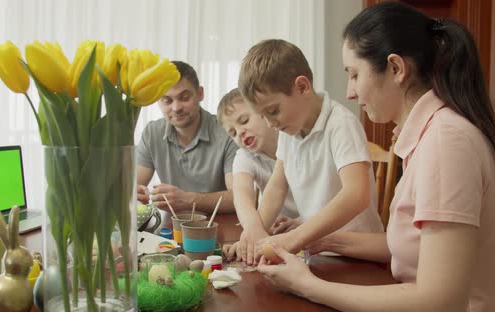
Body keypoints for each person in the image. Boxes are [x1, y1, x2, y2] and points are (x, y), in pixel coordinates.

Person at [257, 2, 495, 311]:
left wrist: (307, 285)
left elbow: (441, 299)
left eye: (355, 74)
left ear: (396, 69)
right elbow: (410, 243)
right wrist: (319, 241)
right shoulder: (433, 133)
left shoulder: (446, 141)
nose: (350, 92)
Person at [237, 38, 384, 265]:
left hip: (356, 256)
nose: (269, 123)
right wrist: (256, 231)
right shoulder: (289, 130)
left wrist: (296, 237)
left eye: (273, 111)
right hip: (315, 251)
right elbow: (277, 187)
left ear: (303, 87)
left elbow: (357, 195)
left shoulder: (341, 123)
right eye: (262, 116)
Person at [136, 61, 238, 213]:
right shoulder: (152, 133)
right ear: (158, 100)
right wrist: (136, 194)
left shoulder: (227, 131)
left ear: (200, 93)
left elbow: (240, 198)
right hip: (172, 228)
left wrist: (187, 200)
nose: (176, 108)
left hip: (220, 226)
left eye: (184, 97)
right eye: (167, 100)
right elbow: (133, 187)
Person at [216, 88, 302, 262]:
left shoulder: (294, 140)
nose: (240, 132)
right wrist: (251, 233)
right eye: (232, 132)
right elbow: (241, 196)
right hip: (273, 232)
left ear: (264, 112)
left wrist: (302, 221)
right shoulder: (244, 156)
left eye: (244, 120)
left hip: (312, 226)